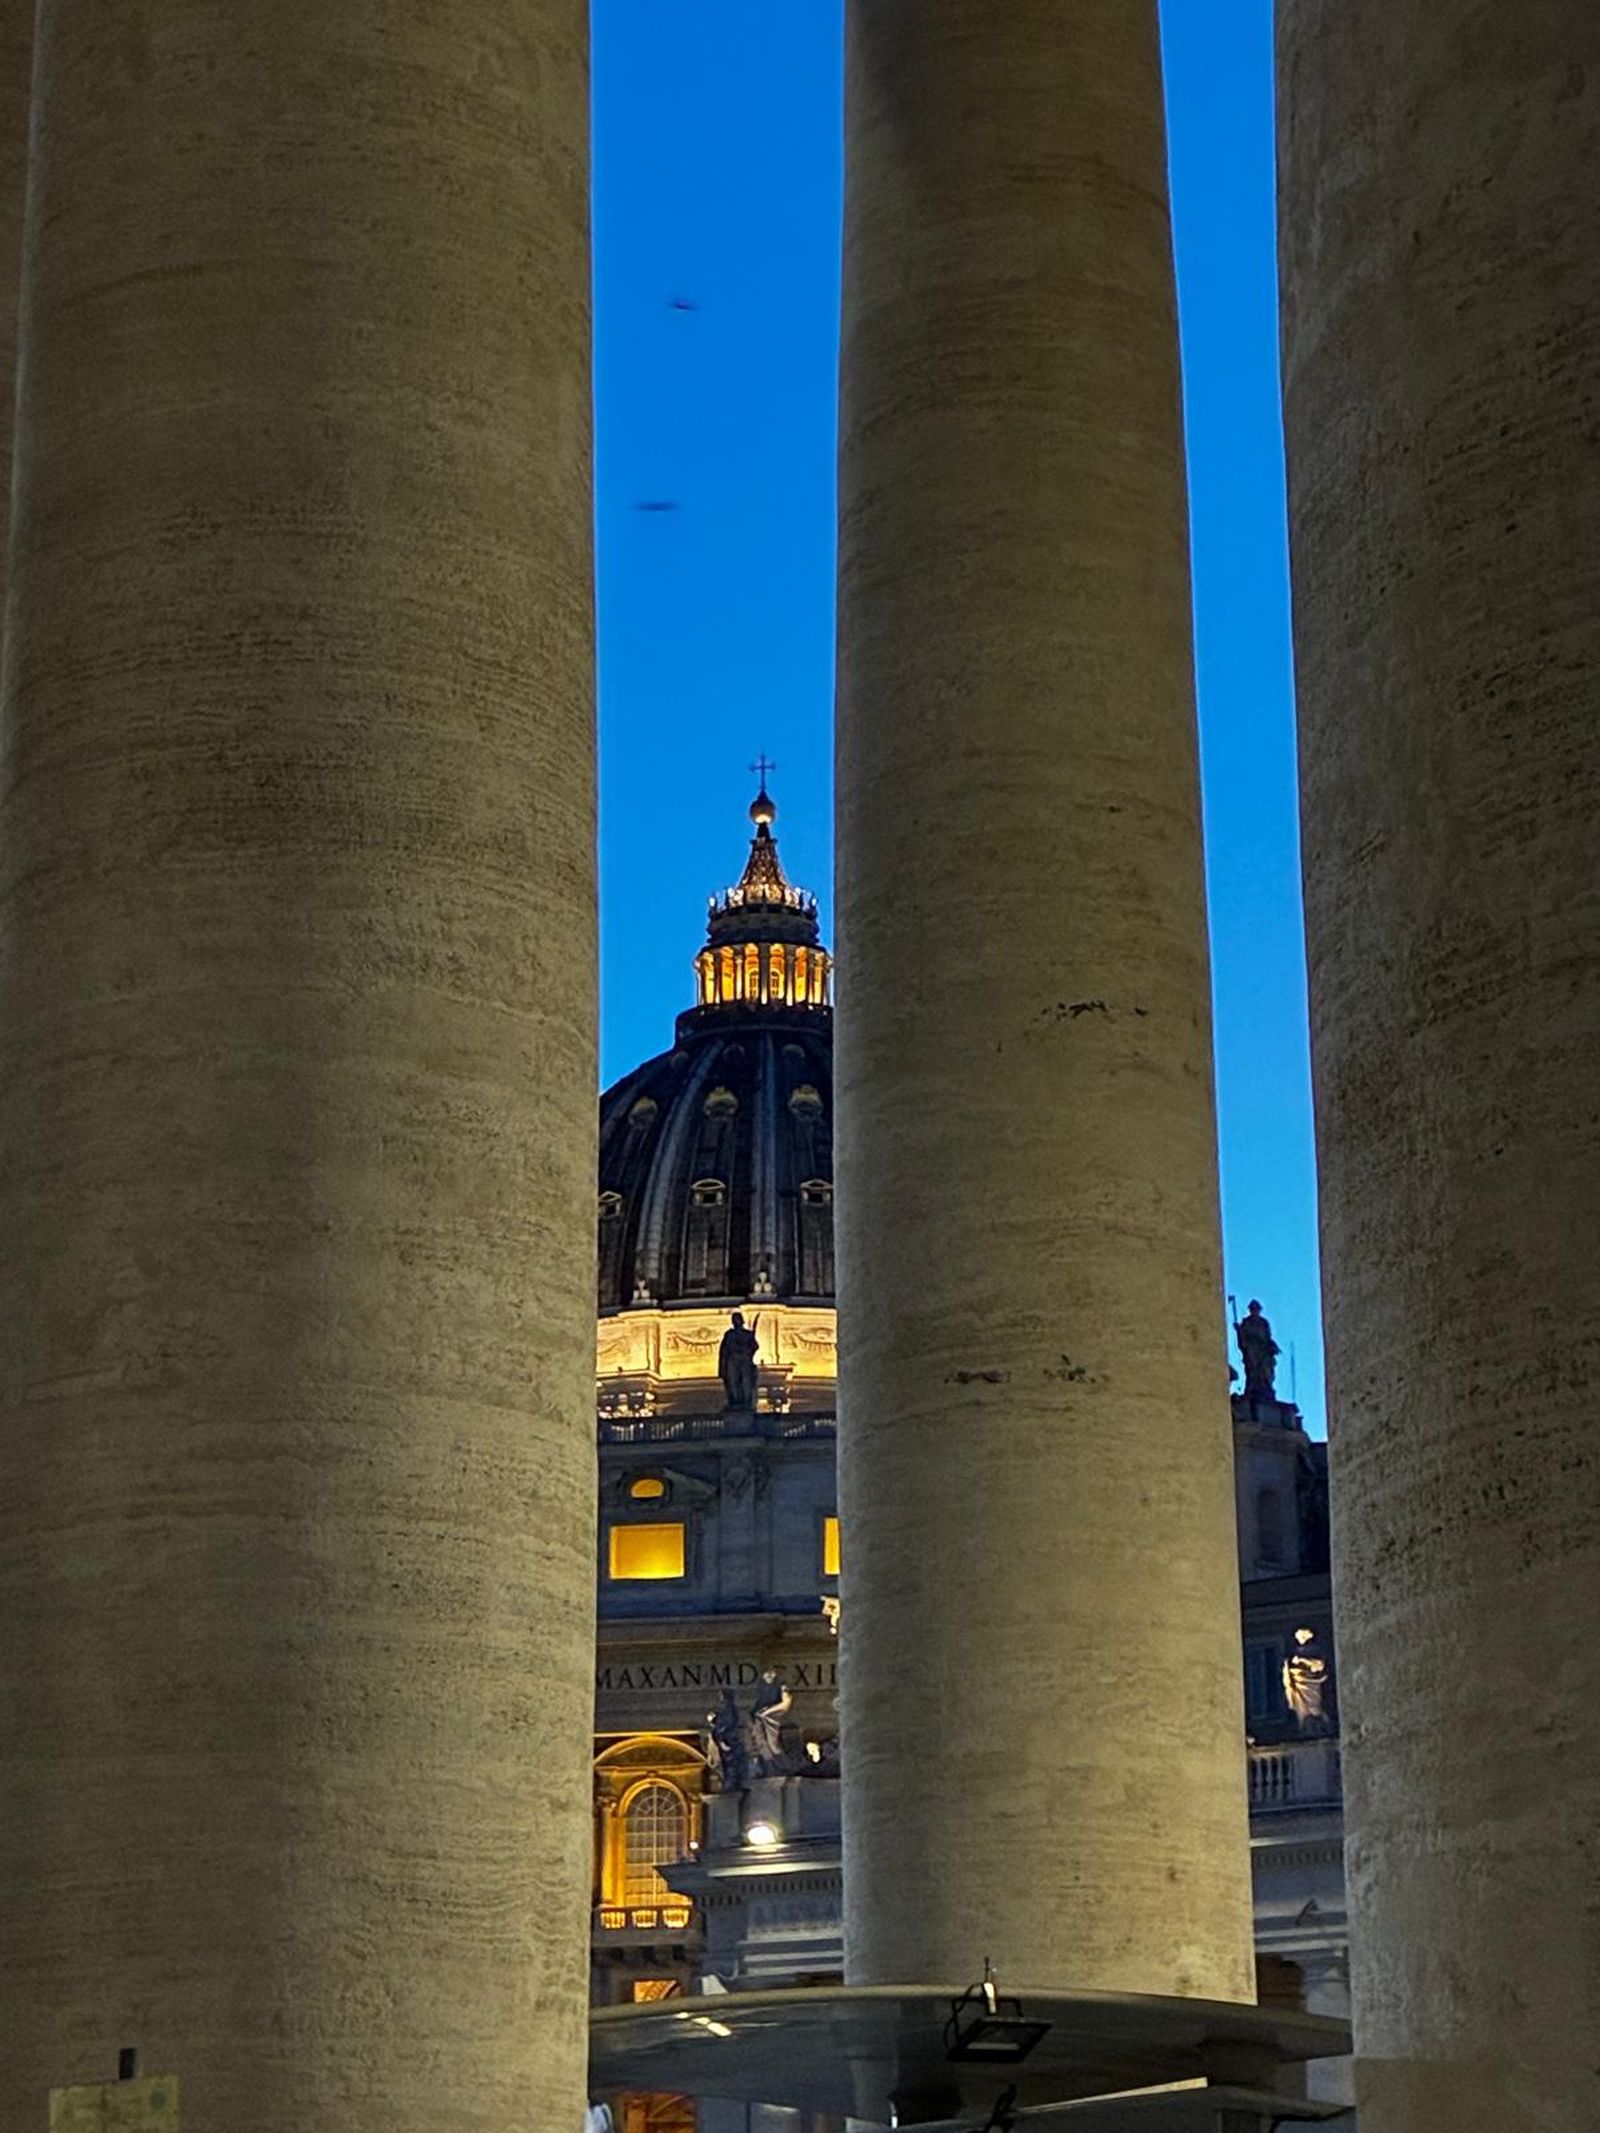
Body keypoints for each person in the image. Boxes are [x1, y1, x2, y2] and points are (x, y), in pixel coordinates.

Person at [749, 1668, 792, 1773]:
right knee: (761, 1743)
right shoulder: (763, 1687)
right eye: (766, 1675)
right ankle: (769, 1768)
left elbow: (786, 1703)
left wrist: (767, 1712)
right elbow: (760, 1702)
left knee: (774, 1745)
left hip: (773, 1718)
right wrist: (755, 1713)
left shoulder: (782, 1686)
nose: (768, 1677)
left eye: (771, 1674)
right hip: (761, 1718)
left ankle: (785, 1767)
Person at [1235, 1298, 1280, 1399]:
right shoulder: (1246, 1323)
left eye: (1256, 1309)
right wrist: (1239, 1331)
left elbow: (1268, 1337)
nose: (1255, 1311)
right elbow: (1243, 1340)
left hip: (1263, 1351)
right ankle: (1253, 1387)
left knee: (1266, 1369)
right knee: (1253, 1368)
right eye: (1253, 1309)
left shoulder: (1264, 1323)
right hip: (1252, 1349)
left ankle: (1266, 1387)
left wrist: (1272, 1346)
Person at [718, 1309, 760, 1410]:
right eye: (734, 1320)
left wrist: (748, 1348)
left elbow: (755, 1346)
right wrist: (722, 1367)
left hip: (744, 1361)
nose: (736, 1322)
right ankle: (735, 1400)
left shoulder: (747, 1334)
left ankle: (744, 1401)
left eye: (737, 1320)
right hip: (732, 1361)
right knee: (733, 1382)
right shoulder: (729, 1335)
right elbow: (724, 1351)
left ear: (742, 1321)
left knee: (745, 1381)